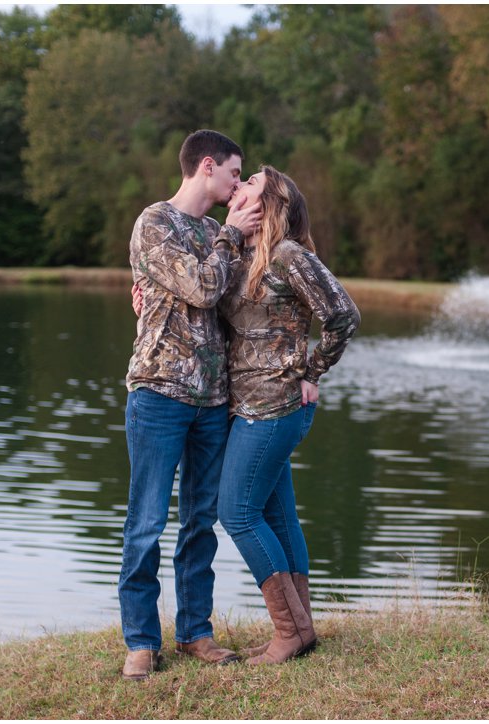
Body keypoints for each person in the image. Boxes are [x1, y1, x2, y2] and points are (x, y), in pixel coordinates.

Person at [119, 129, 261, 681]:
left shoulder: (213, 230)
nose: (236, 184)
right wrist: (228, 237)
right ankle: (140, 641)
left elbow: (234, 299)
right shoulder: (155, 223)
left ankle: (196, 633)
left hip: (214, 400)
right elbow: (203, 288)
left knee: (201, 522)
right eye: (233, 173)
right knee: (147, 522)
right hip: (158, 393)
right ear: (207, 165)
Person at [216, 165, 360, 664]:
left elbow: (343, 314)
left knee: (235, 512)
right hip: (247, 406)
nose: (239, 188)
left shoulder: (288, 255)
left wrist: (313, 371)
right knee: (276, 515)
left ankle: (289, 633)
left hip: (275, 407)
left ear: (270, 204)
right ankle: (302, 629)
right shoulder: (243, 254)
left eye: (250, 183)